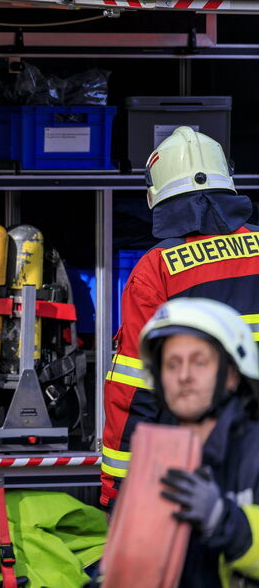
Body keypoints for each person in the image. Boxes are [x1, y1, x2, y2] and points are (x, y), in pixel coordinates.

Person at [102, 126, 259, 508]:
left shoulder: (156, 269)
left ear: (156, 194)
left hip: (202, 467)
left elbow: (135, 388)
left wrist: (117, 490)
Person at [137, 298, 259, 585]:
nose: (184, 376)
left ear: (231, 374)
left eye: (199, 362)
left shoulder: (254, 450)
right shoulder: (158, 456)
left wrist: (225, 521)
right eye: (171, 364)